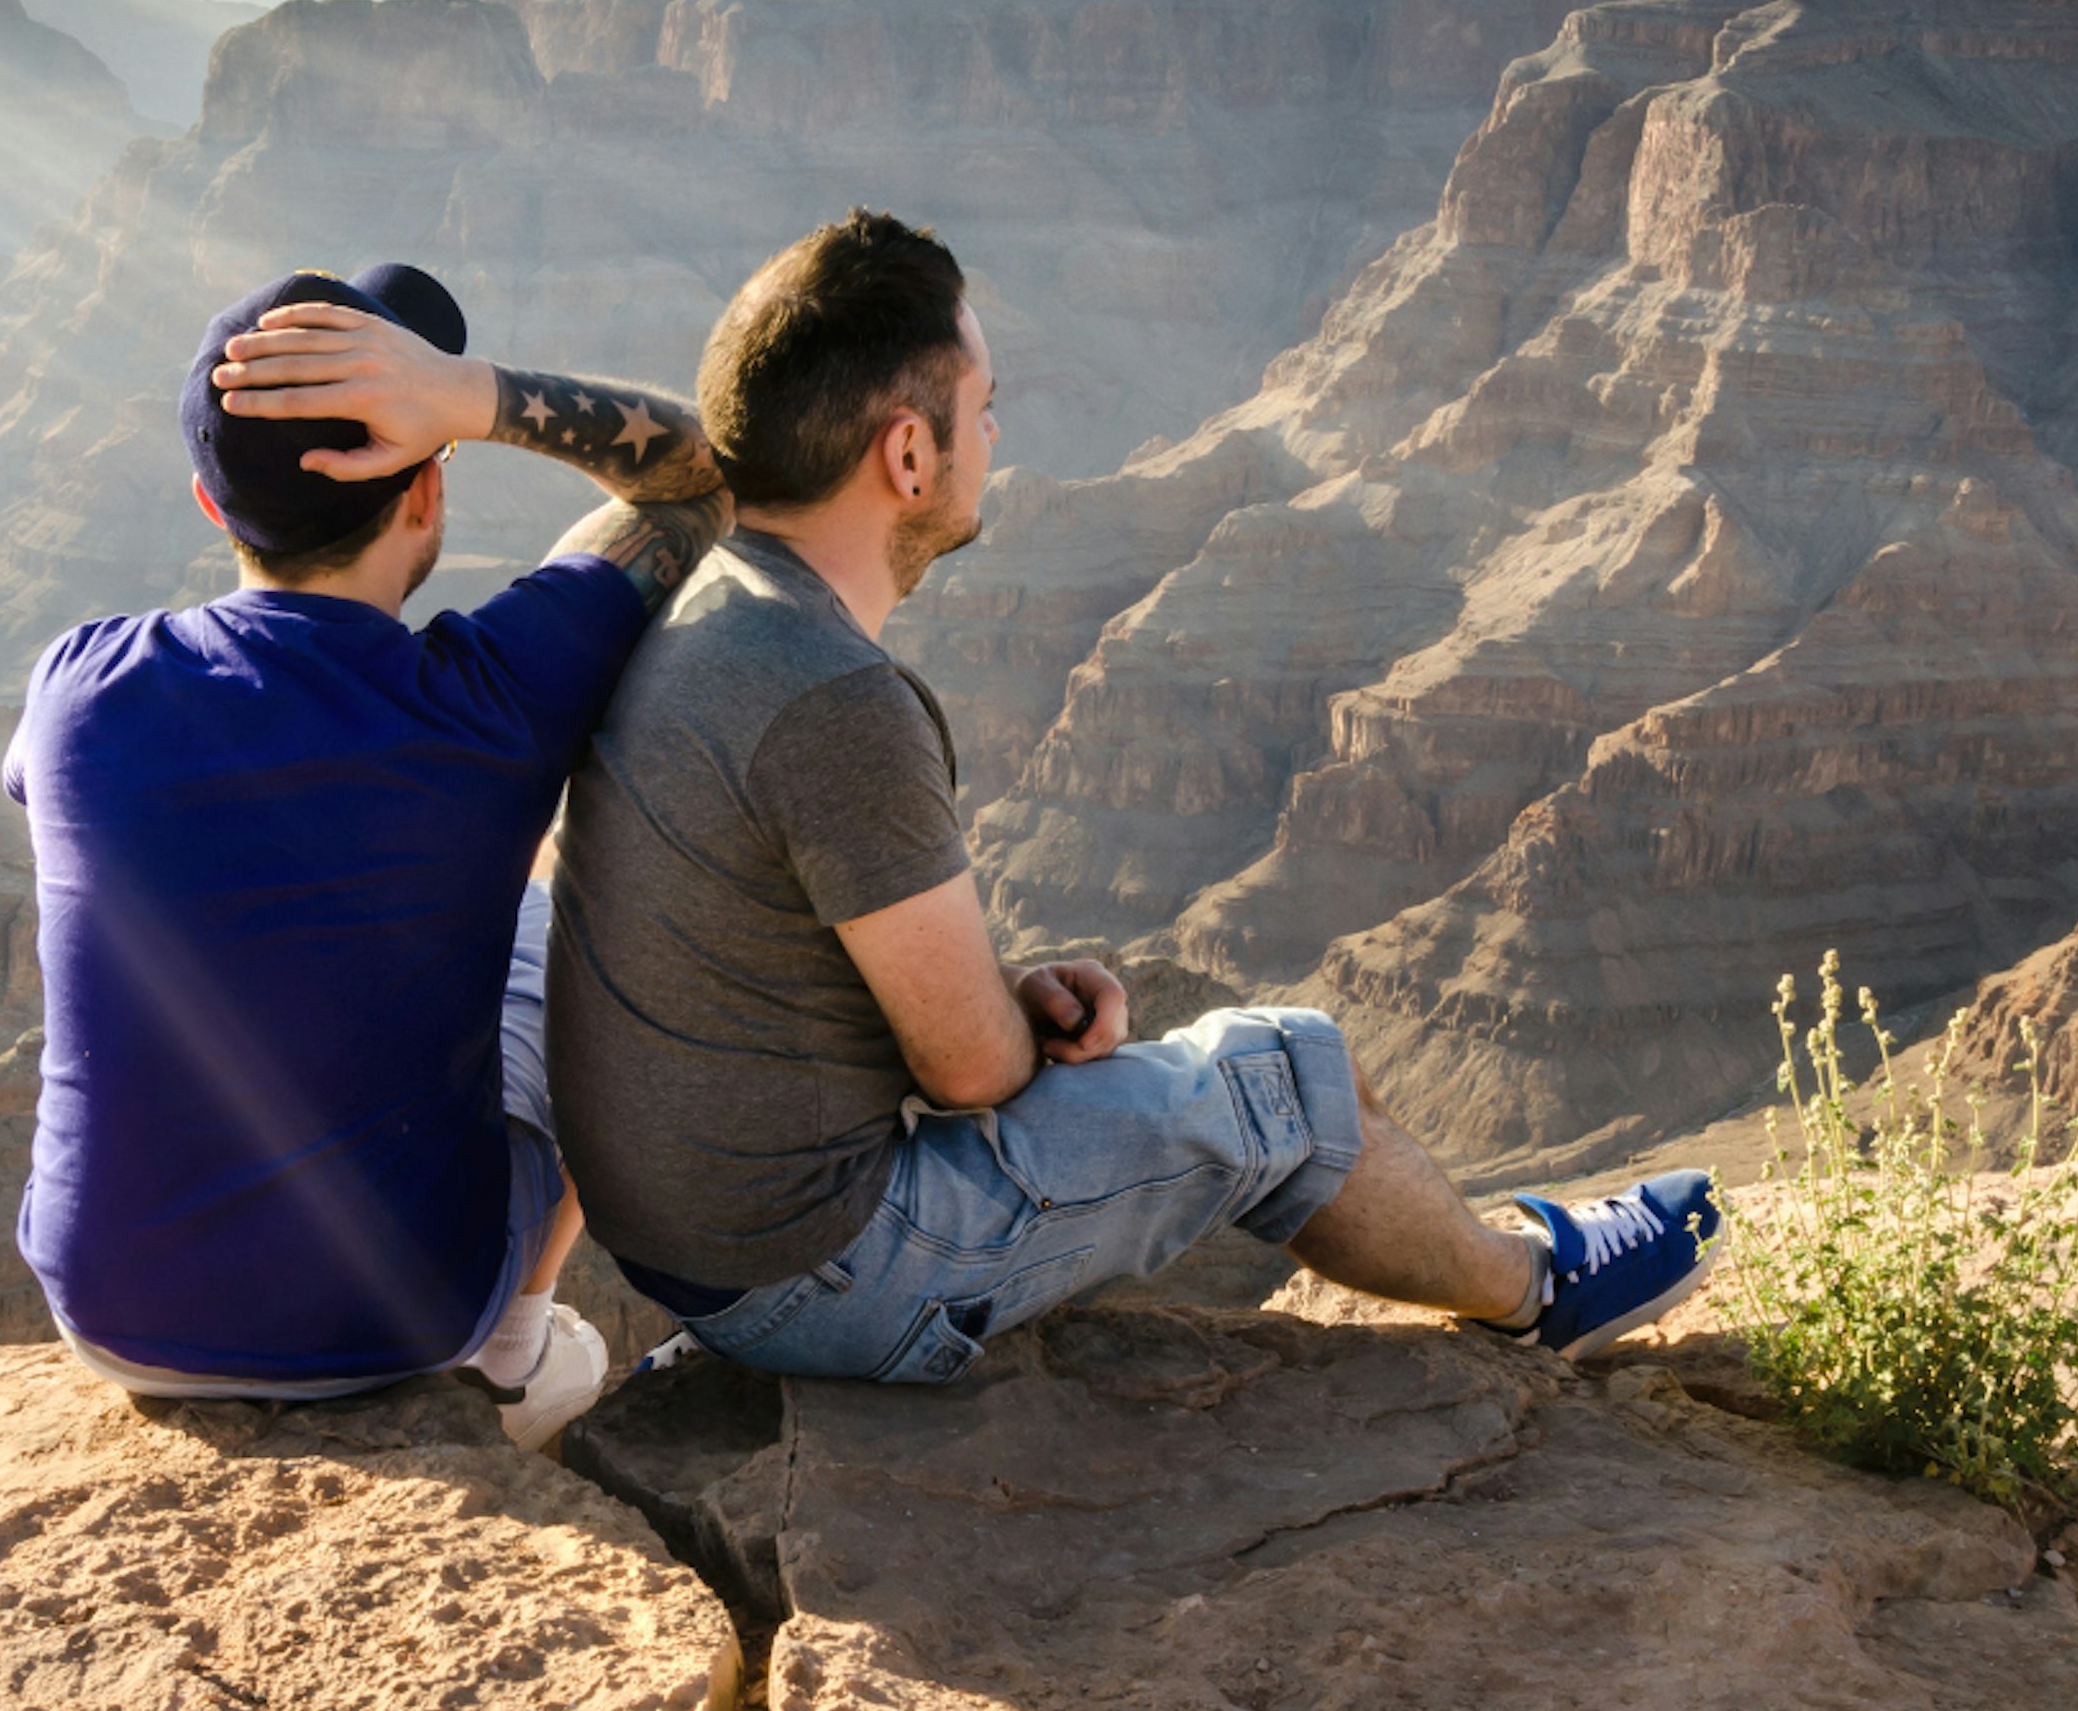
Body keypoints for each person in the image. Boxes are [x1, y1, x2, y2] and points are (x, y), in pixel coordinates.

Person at [548, 210, 1722, 1382]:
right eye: (984, 406)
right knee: (1290, 1075)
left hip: (697, 1252)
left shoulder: (699, 592)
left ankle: (1505, 1253)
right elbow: (974, 1077)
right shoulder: (832, 700)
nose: (997, 435)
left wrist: (1001, 989)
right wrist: (1005, 1027)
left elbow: (791, 959)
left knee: (1264, 1063)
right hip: (836, 1276)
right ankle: (1537, 1290)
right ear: (908, 457)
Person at [3, 259, 727, 1447]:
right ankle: (511, 1345)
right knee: (593, 926)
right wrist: (473, 398)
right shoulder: (493, 700)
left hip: (110, 1317)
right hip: (402, 1322)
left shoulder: (79, 682)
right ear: (426, 495)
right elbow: (698, 476)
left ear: (208, 503)